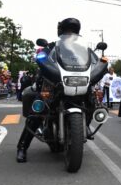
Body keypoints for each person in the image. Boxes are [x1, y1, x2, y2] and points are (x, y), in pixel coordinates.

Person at [17, 17, 83, 163]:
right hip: (52, 85)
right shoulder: (52, 47)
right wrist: (41, 58)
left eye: (72, 32)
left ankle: (80, 131)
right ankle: (22, 147)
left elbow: (91, 61)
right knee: (37, 111)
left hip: (73, 85)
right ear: (61, 33)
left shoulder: (81, 50)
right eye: (67, 31)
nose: (70, 34)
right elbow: (42, 58)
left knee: (90, 100)